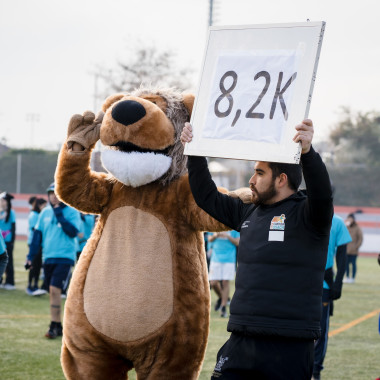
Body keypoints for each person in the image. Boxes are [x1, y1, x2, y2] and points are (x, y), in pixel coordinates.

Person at [181, 119, 333, 380]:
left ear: (281, 179)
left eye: (260, 173)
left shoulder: (310, 215)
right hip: (242, 337)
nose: (251, 180)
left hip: (290, 344)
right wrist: (194, 152)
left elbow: (322, 193)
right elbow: (206, 196)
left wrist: (307, 152)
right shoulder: (247, 211)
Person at [26, 183, 81, 339]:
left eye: (56, 193)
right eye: (51, 193)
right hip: (48, 257)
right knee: (52, 291)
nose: (53, 196)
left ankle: (53, 325)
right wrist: (30, 257)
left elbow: (72, 232)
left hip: (65, 257)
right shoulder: (44, 213)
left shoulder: (72, 211)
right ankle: (57, 325)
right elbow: (37, 236)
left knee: (55, 289)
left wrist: (59, 214)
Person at [312, 214, 351, 380]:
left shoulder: (338, 223)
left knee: (320, 331)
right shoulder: (304, 216)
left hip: (324, 285)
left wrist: (338, 283)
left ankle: (315, 371)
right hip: (300, 282)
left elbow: (342, 257)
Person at [208, 231, 239, 317]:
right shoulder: (216, 226)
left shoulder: (233, 228)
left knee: (225, 282)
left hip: (229, 259)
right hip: (216, 259)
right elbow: (209, 239)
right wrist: (215, 235)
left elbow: (237, 242)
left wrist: (227, 236)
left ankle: (223, 307)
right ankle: (223, 298)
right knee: (213, 283)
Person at [26, 197, 47, 295]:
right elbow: (35, 230)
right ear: (39, 205)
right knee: (33, 265)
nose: (45, 207)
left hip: (40, 244)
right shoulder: (34, 215)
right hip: (34, 244)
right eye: (44, 205)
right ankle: (30, 285)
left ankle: (35, 285)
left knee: (38, 265)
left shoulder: (39, 215)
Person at [0, 192, 16, 290]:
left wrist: (12, 241)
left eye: (3, 200)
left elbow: (13, 227)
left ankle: (10, 281)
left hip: (7, 241)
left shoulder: (11, 213)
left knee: (8, 262)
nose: (1, 202)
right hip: (0, 242)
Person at [344, 213, 363, 283]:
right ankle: (347, 277)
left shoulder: (357, 228)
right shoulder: (346, 227)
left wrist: (356, 247)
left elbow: (360, 239)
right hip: (346, 250)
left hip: (354, 251)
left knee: (353, 264)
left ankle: (353, 278)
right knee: (346, 264)